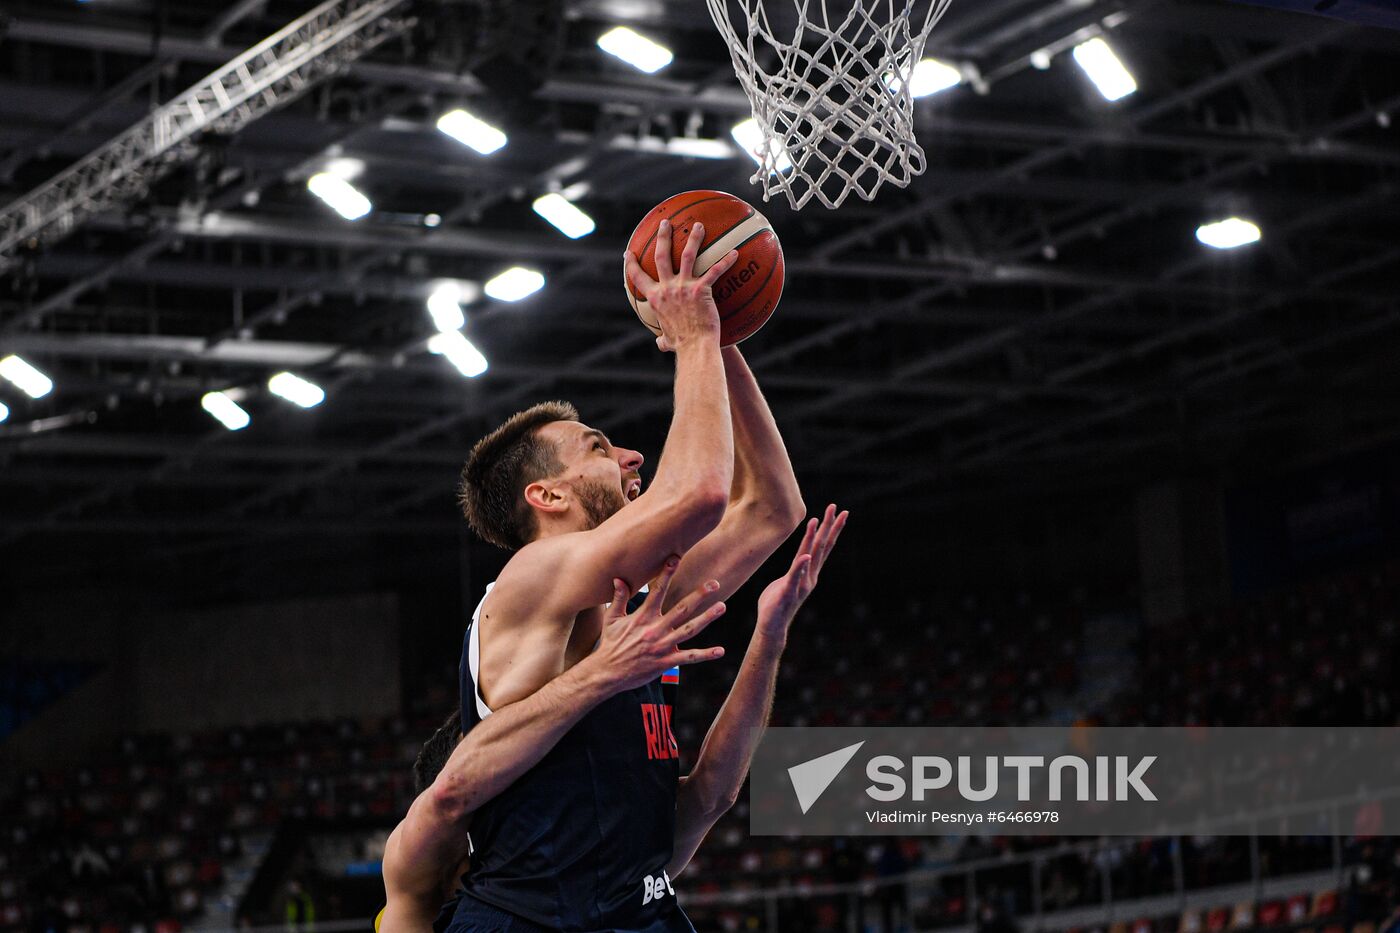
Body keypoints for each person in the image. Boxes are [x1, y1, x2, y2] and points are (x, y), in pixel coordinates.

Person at [444, 218, 809, 932]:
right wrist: (694, 335)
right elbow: (700, 493)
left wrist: (721, 334)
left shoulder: (635, 601)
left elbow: (772, 508)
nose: (631, 456)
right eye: (598, 449)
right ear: (547, 496)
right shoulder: (530, 578)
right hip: (532, 921)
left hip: (637, 911)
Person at [380, 511, 846, 933]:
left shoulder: (607, 849)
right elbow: (450, 793)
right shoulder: (425, 858)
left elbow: (712, 796)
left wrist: (770, 636)